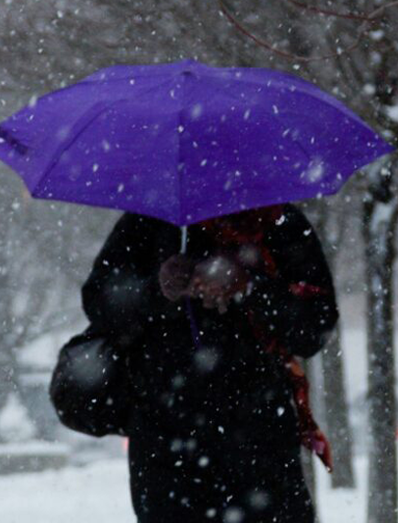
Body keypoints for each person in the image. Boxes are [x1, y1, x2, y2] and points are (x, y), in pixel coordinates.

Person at [78, 203, 338, 523]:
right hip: (168, 450)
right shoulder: (147, 223)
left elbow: (313, 329)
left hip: (261, 449)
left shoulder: (278, 224)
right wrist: (157, 289)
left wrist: (250, 284)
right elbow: (100, 303)